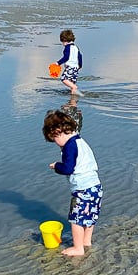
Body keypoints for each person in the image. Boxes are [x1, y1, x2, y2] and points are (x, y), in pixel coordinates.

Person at [42, 109, 102, 257]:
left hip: (82, 189)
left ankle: (78, 248)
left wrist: (57, 166)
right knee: (90, 216)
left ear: (57, 131)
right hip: (96, 187)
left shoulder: (69, 146)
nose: (57, 144)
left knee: (76, 219)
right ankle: (86, 241)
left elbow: (68, 168)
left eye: (54, 139)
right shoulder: (80, 141)